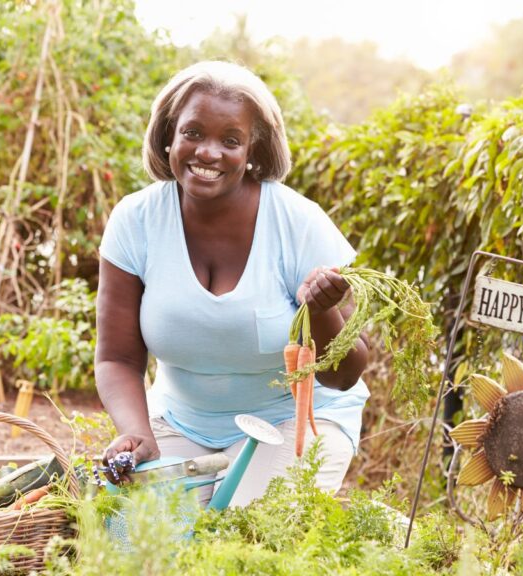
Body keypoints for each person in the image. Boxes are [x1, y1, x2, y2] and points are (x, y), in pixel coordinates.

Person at [95, 61, 370, 507]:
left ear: (253, 152)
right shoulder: (136, 220)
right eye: (193, 133)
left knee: (238, 533)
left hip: (295, 421)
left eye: (230, 141)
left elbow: (345, 373)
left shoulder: (297, 224)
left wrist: (319, 309)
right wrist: (136, 432)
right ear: (169, 135)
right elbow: (117, 357)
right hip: (179, 423)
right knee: (146, 535)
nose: (207, 153)